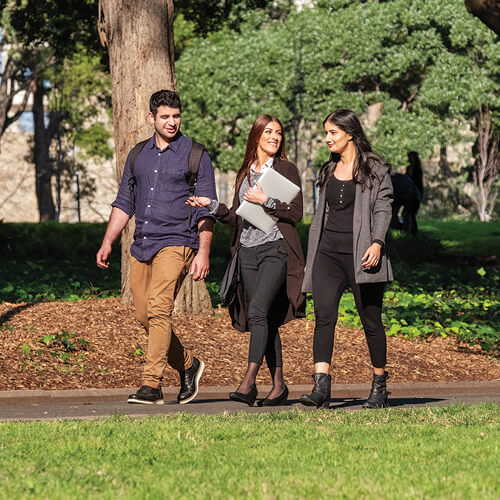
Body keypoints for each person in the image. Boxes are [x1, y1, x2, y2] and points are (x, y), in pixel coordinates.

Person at [96, 90, 217, 405]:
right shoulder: (139, 154)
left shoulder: (196, 155)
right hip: (143, 244)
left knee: (160, 309)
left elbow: (207, 209)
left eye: (176, 116)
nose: (172, 122)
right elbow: (125, 201)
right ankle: (189, 365)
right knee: (144, 315)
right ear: (152, 117)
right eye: (165, 116)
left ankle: (152, 385)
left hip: (178, 241)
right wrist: (108, 240)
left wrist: (203, 252)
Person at [188, 115, 306, 407]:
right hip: (247, 253)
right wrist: (212, 206)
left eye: (278, 133)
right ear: (256, 136)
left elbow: (296, 212)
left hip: (275, 249)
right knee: (264, 318)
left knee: (256, 311)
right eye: (268, 132)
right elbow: (237, 218)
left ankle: (249, 381)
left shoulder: (286, 169)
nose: (274, 137)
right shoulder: (245, 172)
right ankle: (278, 386)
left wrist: (266, 200)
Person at [300, 109, 394, 409]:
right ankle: (320, 387)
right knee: (324, 318)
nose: (327, 138)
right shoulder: (328, 170)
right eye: (326, 133)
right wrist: (311, 256)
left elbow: (383, 207)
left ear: (349, 133)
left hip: (362, 255)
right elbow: (322, 217)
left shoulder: (375, 168)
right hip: (327, 254)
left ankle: (379, 385)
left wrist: (377, 242)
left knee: (371, 321)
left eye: (333, 133)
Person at [391, 151, 423, 235]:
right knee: (406, 213)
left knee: (410, 213)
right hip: (408, 192)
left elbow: (417, 182)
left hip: (412, 192)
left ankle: (410, 230)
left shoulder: (416, 169)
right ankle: (407, 229)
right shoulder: (409, 168)